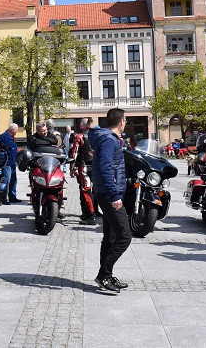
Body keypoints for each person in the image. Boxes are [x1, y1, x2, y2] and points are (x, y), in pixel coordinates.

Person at [89, 108, 131, 293]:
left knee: (111, 236)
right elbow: (105, 167)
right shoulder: (108, 140)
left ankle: (106, 275)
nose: (125, 123)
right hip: (108, 194)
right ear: (121, 122)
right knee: (124, 236)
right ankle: (103, 274)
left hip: (107, 192)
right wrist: (114, 195)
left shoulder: (109, 138)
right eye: (125, 120)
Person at [71, 118, 97, 225]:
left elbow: (74, 154)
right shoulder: (97, 136)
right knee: (93, 190)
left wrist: (72, 168)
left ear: (82, 125)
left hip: (84, 166)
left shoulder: (79, 136)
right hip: (95, 166)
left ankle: (91, 215)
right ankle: (88, 213)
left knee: (85, 190)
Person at [0, 123, 20, 203]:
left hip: (13, 162)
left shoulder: (11, 137)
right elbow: (1, 148)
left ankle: (12, 197)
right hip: (7, 163)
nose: (17, 131)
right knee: (6, 181)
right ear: (12, 129)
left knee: (13, 180)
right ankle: (3, 198)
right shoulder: (4, 136)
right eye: (16, 129)